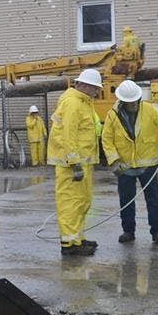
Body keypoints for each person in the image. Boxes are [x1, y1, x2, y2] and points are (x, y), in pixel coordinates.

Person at [101, 79, 158, 246]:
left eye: (135, 101)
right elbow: (107, 138)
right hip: (125, 165)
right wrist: (114, 161)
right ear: (123, 101)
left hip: (148, 164)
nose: (133, 105)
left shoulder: (148, 109)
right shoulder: (113, 115)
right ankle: (128, 231)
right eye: (130, 102)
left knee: (153, 200)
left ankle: (157, 232)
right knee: (126, 201)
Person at [47, 68, 103, 256]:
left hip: (82, 162)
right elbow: (68, 134)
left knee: (82, 201)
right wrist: (74, 162)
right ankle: (69, 245)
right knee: (70, 203)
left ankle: (77, 238)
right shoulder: (73, 102)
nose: (97, 92)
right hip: (72, 165)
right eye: (95, 88)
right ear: (85, 86)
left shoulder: (83, 102)